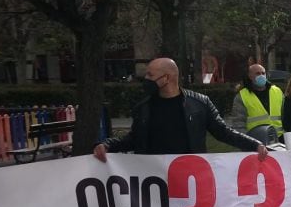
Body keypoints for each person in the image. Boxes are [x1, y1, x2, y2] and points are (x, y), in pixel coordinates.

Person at [94, 58, 268, 161]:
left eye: (150, 75)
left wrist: (254, 145)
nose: (145, 79)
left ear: (166, 78)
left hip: (189, 179)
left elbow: (223, 132)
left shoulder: (200, 104)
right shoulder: (143, 108)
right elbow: (134, 139)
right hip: (154, 181)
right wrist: (107, 145)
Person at [228, 64, 283, 142]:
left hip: (279, 139)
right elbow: (238, 123)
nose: (261, 76)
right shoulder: (242, 96)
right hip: (255, 140)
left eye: (263, 73)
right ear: (250, 76)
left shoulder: (277, 91)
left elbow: (286, 116)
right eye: (257, 73)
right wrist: (247, 142)